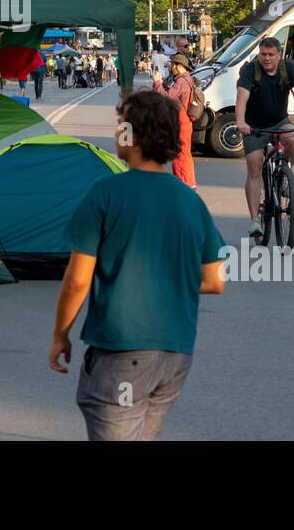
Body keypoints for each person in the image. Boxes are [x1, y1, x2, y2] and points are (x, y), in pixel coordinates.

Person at [49, 89, 226, 441]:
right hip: (174, 353)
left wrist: (60, 335)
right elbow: (215, 279)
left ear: (133, 135)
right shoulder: (189, 201)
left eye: (120, 125)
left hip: (122, 350)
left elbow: (78, 280)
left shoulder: (105, 193)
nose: (117, 132)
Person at [234, 36, 294, 240]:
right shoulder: (250, 71)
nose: (266, 58)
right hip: (254, 126)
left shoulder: (289, 68)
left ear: (279, 55)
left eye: (270, 54)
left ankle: (284, 176)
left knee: (293, 139)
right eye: (263, 54)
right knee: (254, 167)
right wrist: (241, 122)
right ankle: (256, 220)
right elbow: (241, 98)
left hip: (279, 121)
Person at [153, 52, 200, 188]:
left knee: (180, 155)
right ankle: (188, 183)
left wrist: (157, 83)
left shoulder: (181, 81)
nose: (170, 67)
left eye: (172, 64)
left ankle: (185, 184)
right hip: (184, 121)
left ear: (178, 66)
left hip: (181, 122)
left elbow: (167, 96)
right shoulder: (186, 79)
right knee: (184, 154)